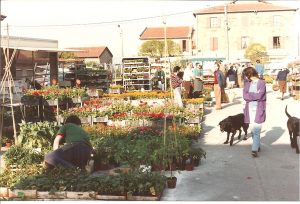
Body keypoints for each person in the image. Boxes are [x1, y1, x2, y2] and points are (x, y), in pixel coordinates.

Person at [243, 67, 266, 158]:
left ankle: (254, 149)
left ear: (249, 74)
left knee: (256, 129)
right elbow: (245, 96)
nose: (245, 77)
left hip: (258, 108)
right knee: (252, 129)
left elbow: (260, 96)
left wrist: (251, 95)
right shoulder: (247, 83)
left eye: (246, 75)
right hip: (249, 108)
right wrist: (254, 95)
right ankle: (257, 145)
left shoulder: (261, 83)